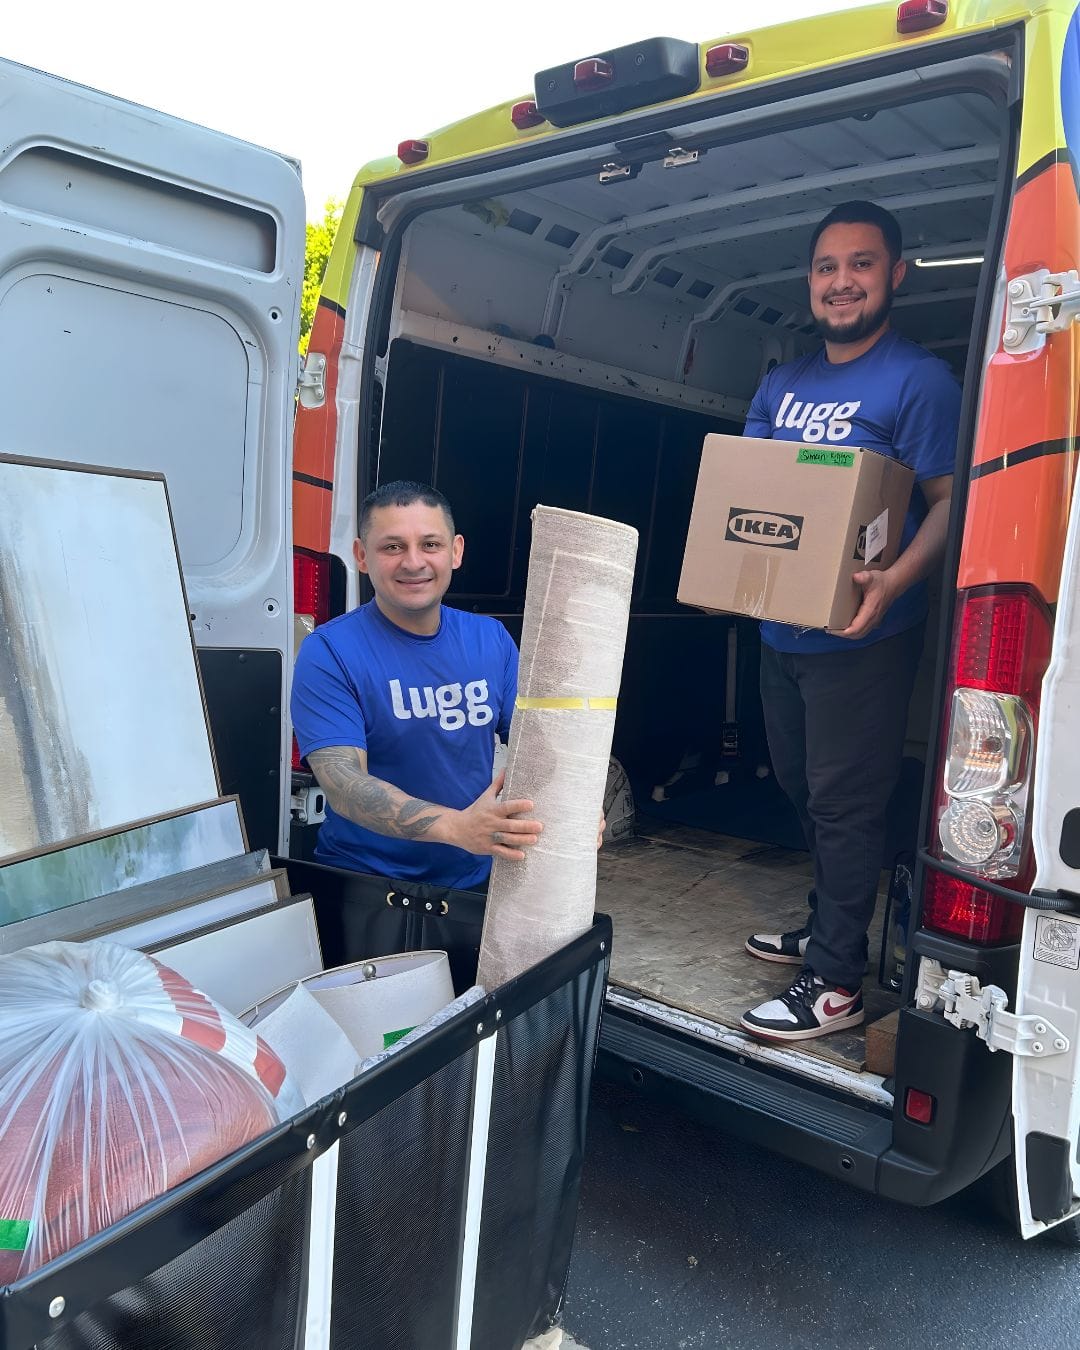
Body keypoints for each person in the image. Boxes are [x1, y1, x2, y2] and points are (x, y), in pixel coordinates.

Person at [739, 200, 961, 1042]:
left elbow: (946, 506)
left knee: (845, 801)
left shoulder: (920, 381)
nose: (842, 282)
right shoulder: (782, 383)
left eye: (861, 264)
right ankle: (832, 923)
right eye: (828, 267)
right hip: (781, 631)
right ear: (811, 282)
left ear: (895, 275)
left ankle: (835, 982)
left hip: (863, 633)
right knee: (801, 786)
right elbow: (754, 492)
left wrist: (892, 582)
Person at [290, 480, 542, 890]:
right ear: (361, 556)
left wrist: (574, 814)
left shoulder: (490, 639)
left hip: (476, 874)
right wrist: (457, 827)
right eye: (392, 547)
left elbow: (537, 747)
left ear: (455, 551)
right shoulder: (330, 652)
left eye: (430, 545)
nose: (413, 562)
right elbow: (344, 784)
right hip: (367, 884)